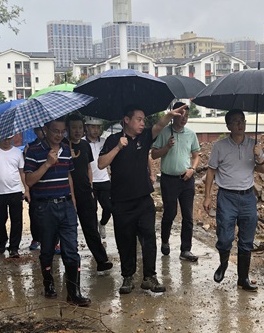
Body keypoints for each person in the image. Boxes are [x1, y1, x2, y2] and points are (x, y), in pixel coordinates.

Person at [97, 103, 187, 295]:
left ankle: (149, 277)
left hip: (144, 200)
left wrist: (170, 115)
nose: (142, 123)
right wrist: (118, 147)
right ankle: (128, 276)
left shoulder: (144, 137)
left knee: (149, 238)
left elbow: (159, 126)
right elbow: (101, 163)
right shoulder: (112, 139)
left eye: (143, 120)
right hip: (121, 202)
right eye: (138, 119)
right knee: (125, 241)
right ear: (126, 120)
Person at [24, 118, 90, 306]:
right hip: (45, 208)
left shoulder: (66, 149)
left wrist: (73, 200)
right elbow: (29, 181)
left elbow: (68, 175)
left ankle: (73, 293)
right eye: (55, 131)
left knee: (71, 250)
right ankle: (48, 283)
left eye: (62, 132)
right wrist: (47, 163)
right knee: (47, 250)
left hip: (66, 205)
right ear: (45, 130)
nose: (59, 135)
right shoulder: (33, 151)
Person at [202, 109, 264, 291]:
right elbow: (211, 171)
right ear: (228, 126)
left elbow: (263, 170)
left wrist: (259, 157)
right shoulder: (220, 146)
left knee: (247, 239)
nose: (240, 124)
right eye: (236, 121)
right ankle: (223, 263)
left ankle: (243, 278)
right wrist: (207, 197)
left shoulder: (254, 145)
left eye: (242, 120)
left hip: (247, 197)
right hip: (227, 197)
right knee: (225, 237)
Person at [151, 102, 200, 262]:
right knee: (170, 213)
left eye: (187, 116)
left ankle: (185, 250)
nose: (184, 119)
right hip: (169, 180)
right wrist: (166, 147)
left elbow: (196, 155)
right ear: (174, 115)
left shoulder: (191, 134)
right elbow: (154, 154)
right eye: (181, 115)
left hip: (187, 179)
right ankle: (165, 240)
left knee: (188, 216)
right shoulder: (164, 132)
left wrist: (192, 169)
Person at [67, 114, 113, 273]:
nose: (77, 131)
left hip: (86, 192)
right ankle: (71, 262)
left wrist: (91, 187)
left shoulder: (85, 145)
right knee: (69, 229)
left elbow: (88, 167)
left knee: (91, 228)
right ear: (68, 129)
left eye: (79, 127)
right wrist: (72, 197)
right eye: (74, 128)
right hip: (68, 194)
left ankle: (102, 260)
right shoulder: (63, 147)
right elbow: (67, 173)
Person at [0, 135, 29, 258]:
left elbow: (22, 172)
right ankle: (2, 240)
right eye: (5, 138)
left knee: (17, 221)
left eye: (9, 138)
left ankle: (14, 247)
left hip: (15, 191)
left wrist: (27, 189)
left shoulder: (17, 152)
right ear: (0, 137)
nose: (7, 141)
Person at [84, 117, 112, 239]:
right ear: (87, 127)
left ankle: (103, 223)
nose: (96, 130)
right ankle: (95, 235)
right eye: (93, 127)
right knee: (92, 209)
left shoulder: (104, 141)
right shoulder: (82, 143)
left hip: (104, 179)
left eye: (98, 127)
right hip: (90, 181)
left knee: (109, 207)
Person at [23, 126, 45, 251]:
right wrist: (27, 190)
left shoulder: (56, 146)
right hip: (35, 187)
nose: (41, 132)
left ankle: (55, 241)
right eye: (38, 130)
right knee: (35, 214)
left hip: (50, 186)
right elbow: (26, 170)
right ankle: (36, 238)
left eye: (43, 129)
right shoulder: (30, 147)